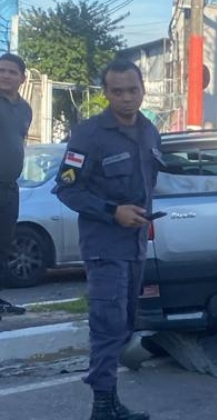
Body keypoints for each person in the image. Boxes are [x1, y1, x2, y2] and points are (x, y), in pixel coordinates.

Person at [53, 58, 159, 420]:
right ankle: (101, 407)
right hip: (104, 247)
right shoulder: (88, 134)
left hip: (136, 246)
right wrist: (113, 212)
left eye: (133, 90)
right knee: (107, 324)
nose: (127, 98)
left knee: (126, 323)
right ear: (106, 94)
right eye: (118, 92)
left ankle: (112, 402)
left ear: (143, 89)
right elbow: (66, 190)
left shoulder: (149, 131)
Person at [0, 53, 32, 317]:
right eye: (1, 70)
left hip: (10, 187)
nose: (5, 75)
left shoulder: (25, 109)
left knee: (4, 244)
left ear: (23, 77)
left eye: (12, 72)